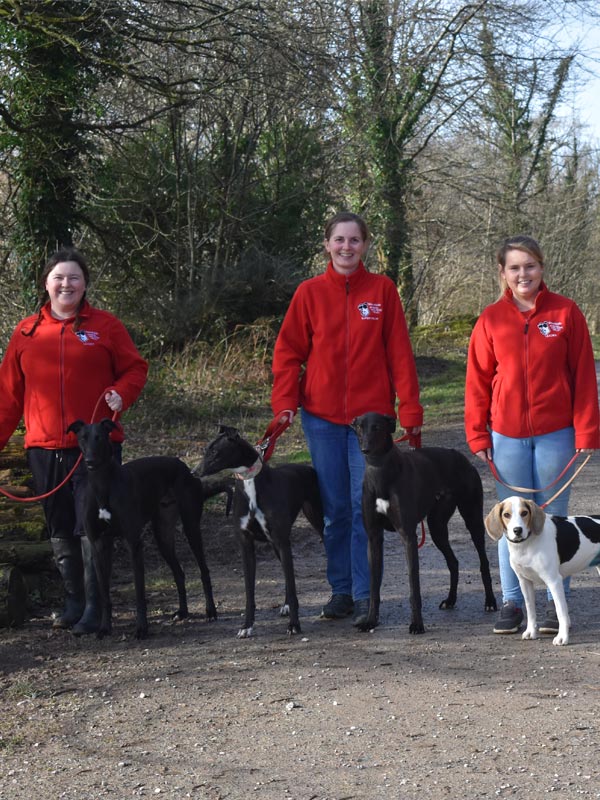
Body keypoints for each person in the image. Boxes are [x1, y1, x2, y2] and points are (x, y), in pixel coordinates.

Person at [271, 211, 423, 627]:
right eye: (339, 240)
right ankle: (340, 590)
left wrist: (409, 409)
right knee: (336, 509)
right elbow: (287, 354)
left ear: (365, 245)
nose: (346, 247)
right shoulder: (309, 293)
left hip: (372, 424)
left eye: (354, 240)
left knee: (364, 511)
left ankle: (363, 595)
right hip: (321, 419)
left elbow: (400, 355)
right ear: (327, 245)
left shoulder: (382, 290)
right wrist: (284, 402)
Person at [0, 247, 148, 634]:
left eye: (75, 277)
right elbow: (8, 397)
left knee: (91, 528)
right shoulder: (26, 332)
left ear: (85, 284)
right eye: (59, 277)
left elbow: (135, 368)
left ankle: (97, 607)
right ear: (46, 283)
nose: (67, 284)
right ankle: (74, 600)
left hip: (96, 449)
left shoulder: (107, 326)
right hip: (43, 448)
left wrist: (122, 392)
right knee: (60, 524)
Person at [465, 234, 599, 634]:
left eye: (530, 266)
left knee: (552, 519)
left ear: (541, 267)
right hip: (505, 435)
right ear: (502, 272)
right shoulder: (490, 319)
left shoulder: (566, 313)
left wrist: (588, 429)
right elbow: (477, 381)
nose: (523, 274)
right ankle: (512, 603)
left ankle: (558, 605)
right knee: (513, 521)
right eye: (514, 267)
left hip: (557, 432)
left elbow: (583, 376)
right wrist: (478, 434)